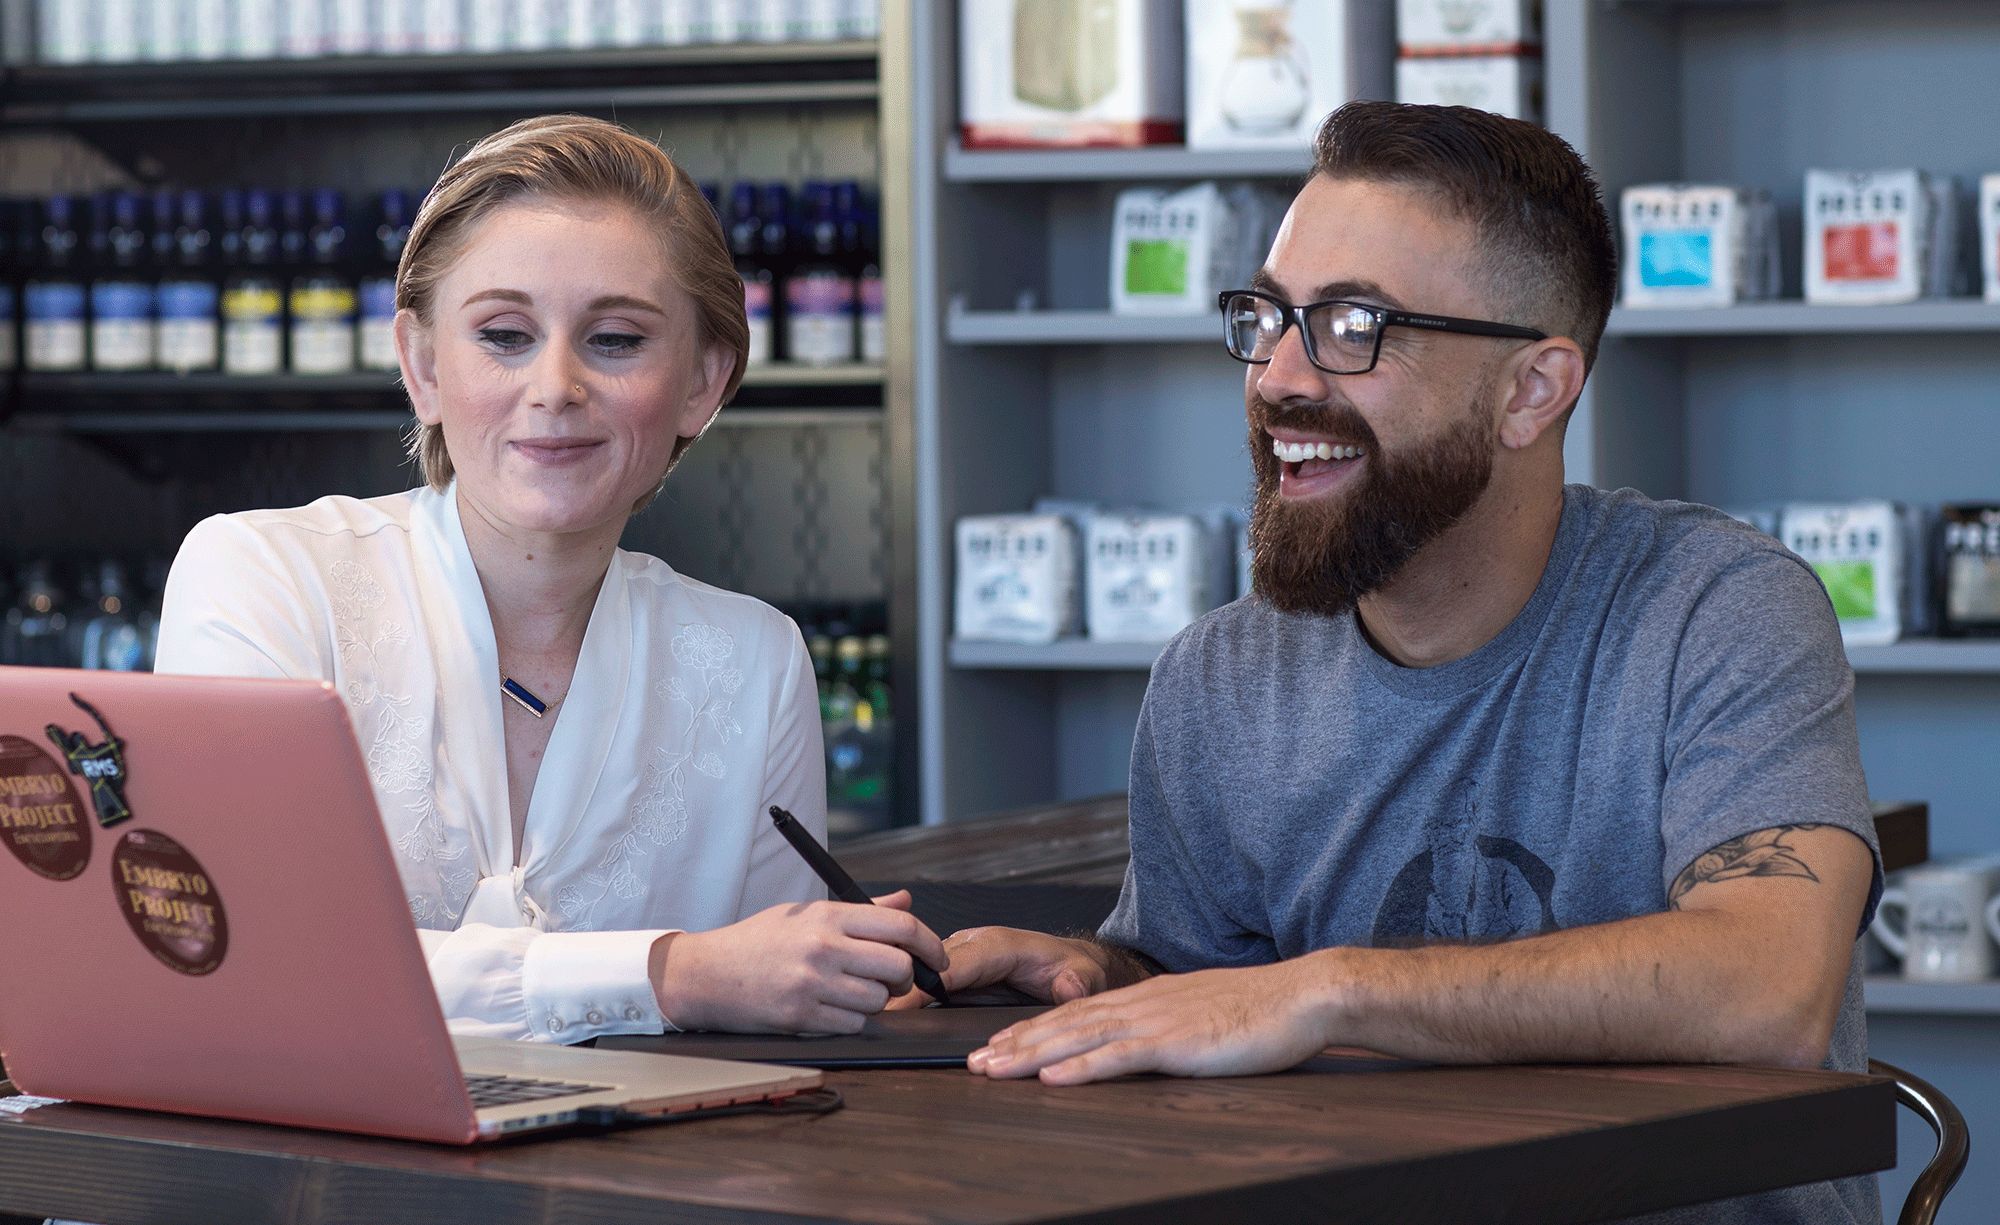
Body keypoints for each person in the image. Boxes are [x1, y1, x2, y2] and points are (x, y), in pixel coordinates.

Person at [919, 102, 1882, 1224]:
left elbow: (1766, 989)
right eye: (1268, 318)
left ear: (1531, 390)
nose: (1277, 376)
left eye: (1353, 324)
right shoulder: (1217, 677)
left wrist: (1331, 988)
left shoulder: (1717, 608)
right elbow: (1213, 996)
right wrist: (1097, 978)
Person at [156, 115, 944, 1043]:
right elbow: (235, 959)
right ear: (422, 365)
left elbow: (771, 1015)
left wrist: (900, 973)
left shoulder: (754, 661)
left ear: (703, 382)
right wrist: (668, 973)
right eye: (504, 334)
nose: (556, 385)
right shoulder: (265, 580)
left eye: (615, 339)